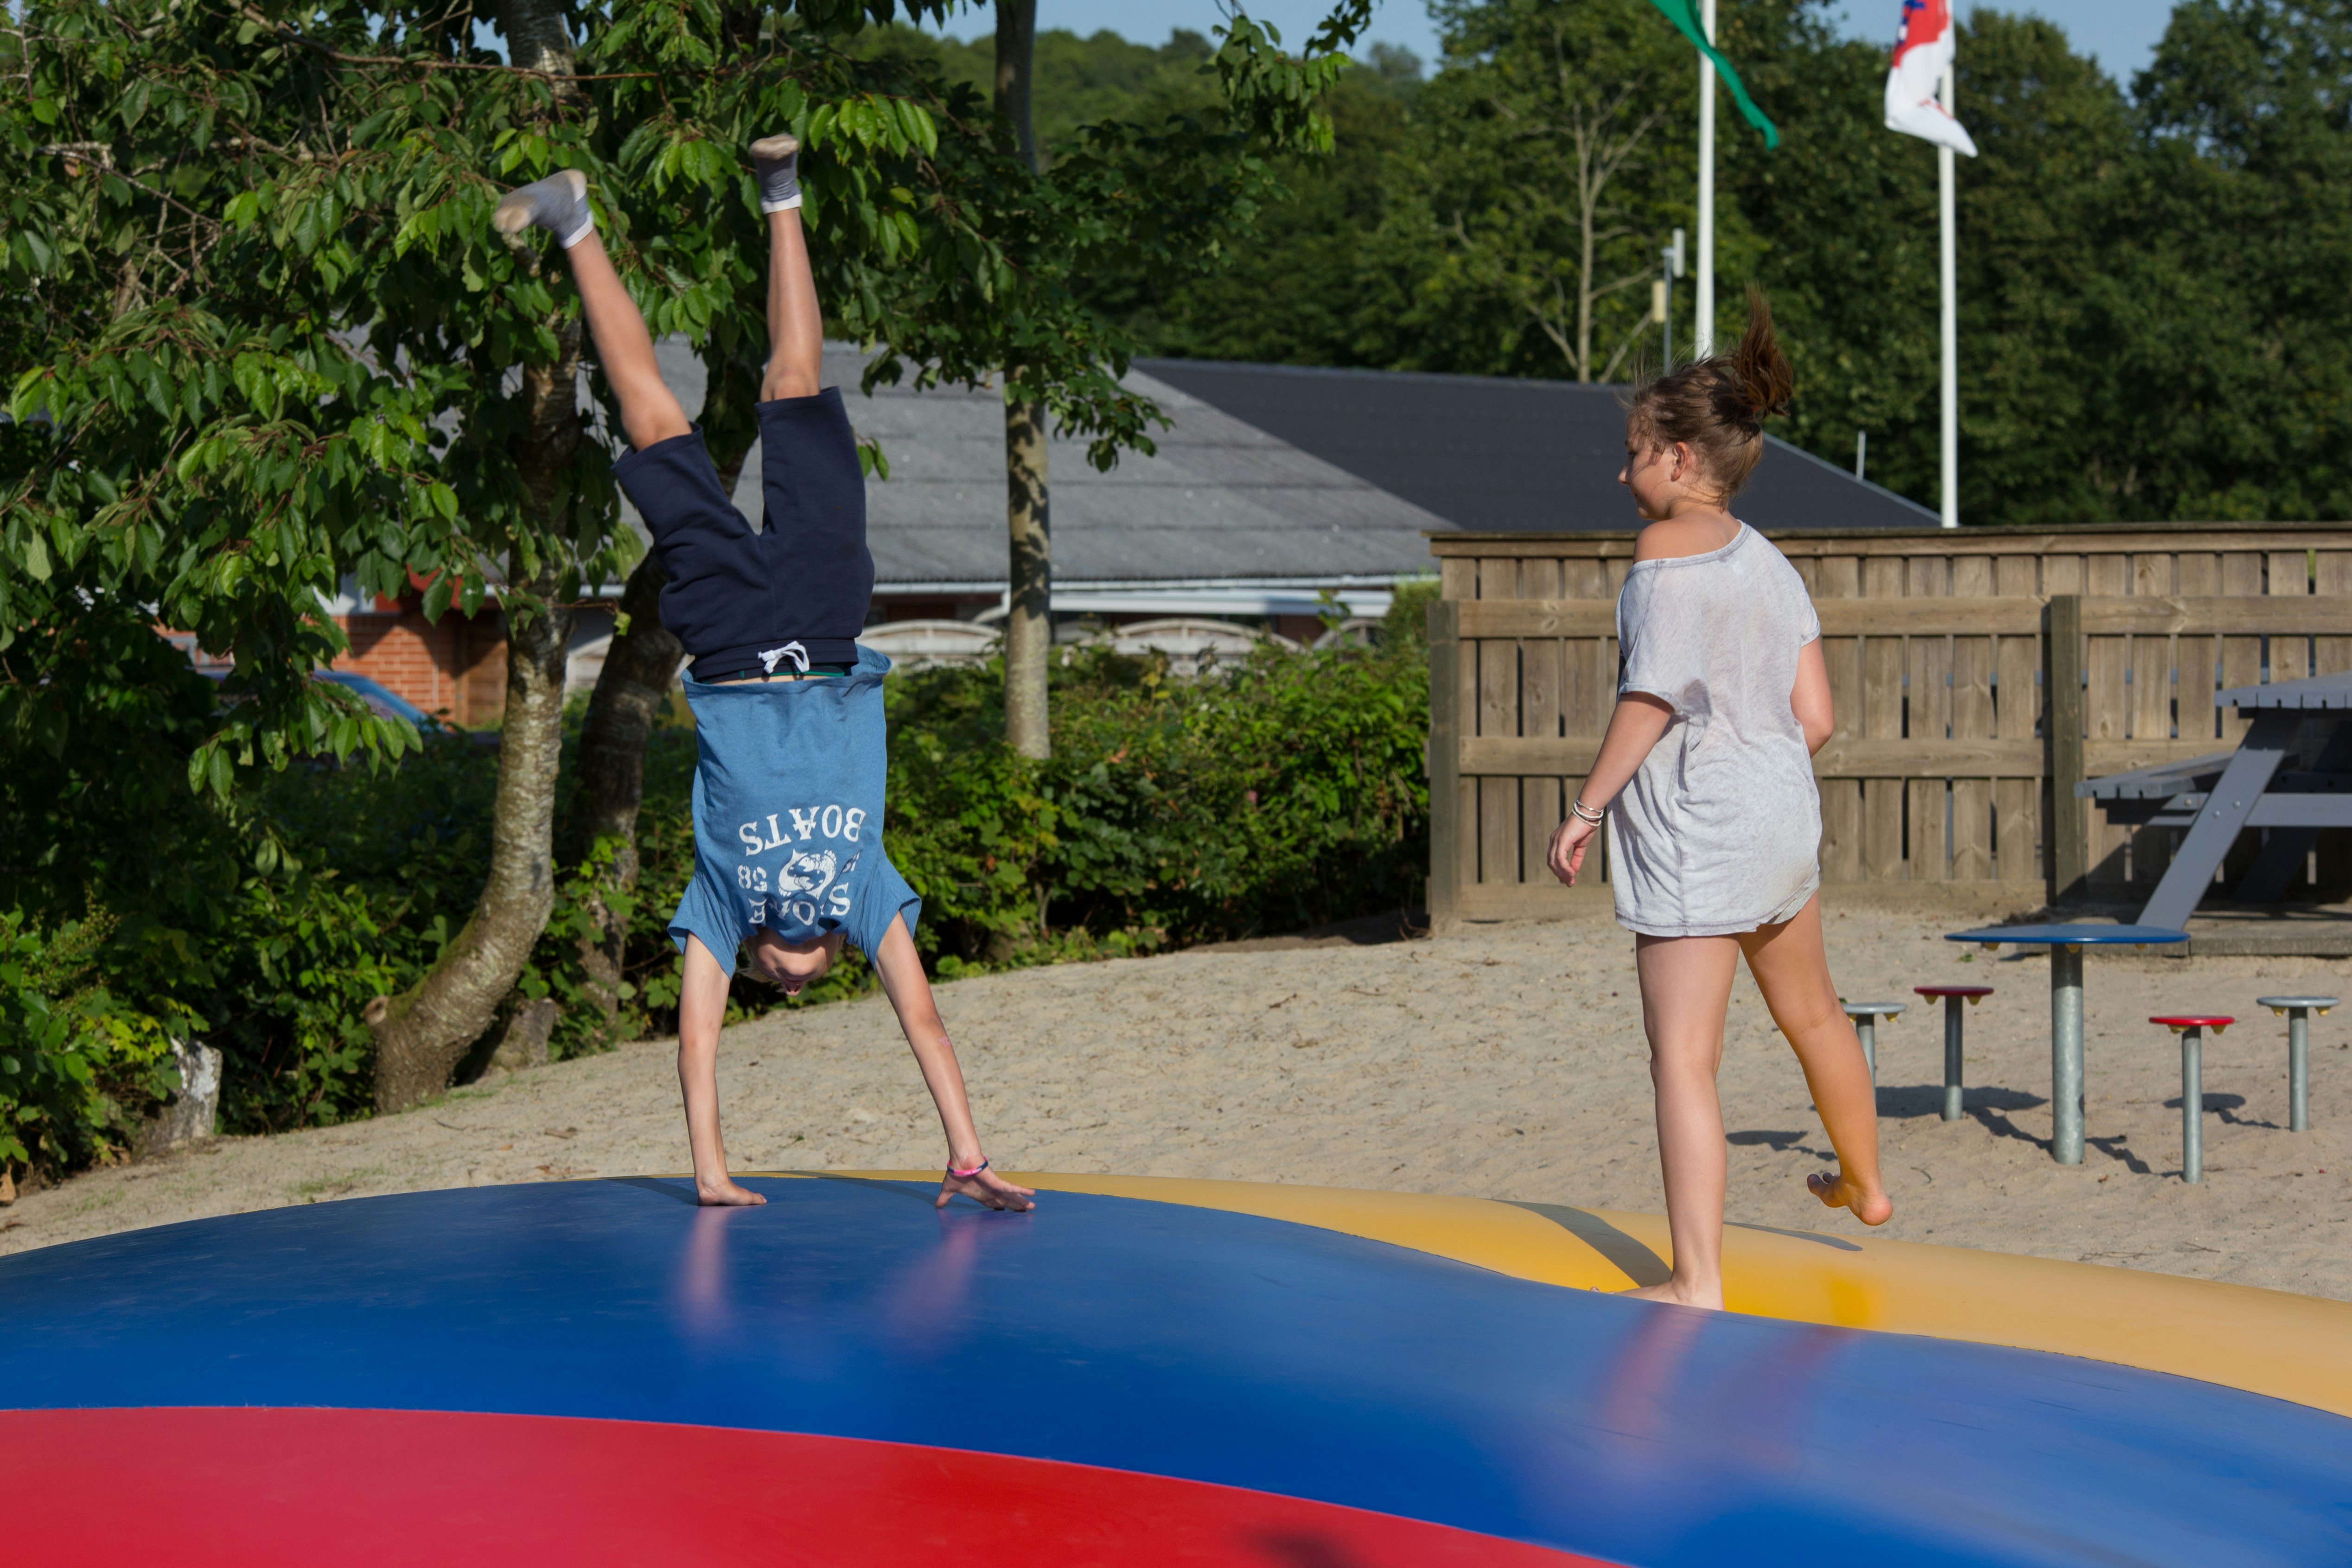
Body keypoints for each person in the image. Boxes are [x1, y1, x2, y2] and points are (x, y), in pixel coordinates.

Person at [491, 139, 1034, 1214]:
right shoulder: (867, 893)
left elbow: (696, 1043)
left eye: (771, 981)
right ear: (831, 950)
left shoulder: (722, 905)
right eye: (807, 974)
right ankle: (779, 192)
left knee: (655, 426)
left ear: (749, 961)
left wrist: (707, 1168)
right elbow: (920, 1017)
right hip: (829, 628)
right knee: (795, 390)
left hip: (736, 642)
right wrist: (967, 1152)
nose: (790, 977)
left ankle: (574, 221)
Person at [1546, 290, 1889, 1309]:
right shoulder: (1769, 563)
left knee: (1681, 1061)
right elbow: (1815, 716)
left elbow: (1647, 696)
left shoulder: (1662, 555)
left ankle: (1695, 1279)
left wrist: (1587, 807)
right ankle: (1865, 1185)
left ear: (1681, 459)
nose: (1622, 471)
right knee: (1814, 1016)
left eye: (1635, 452)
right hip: (1780, 819)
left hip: (1698, 834)